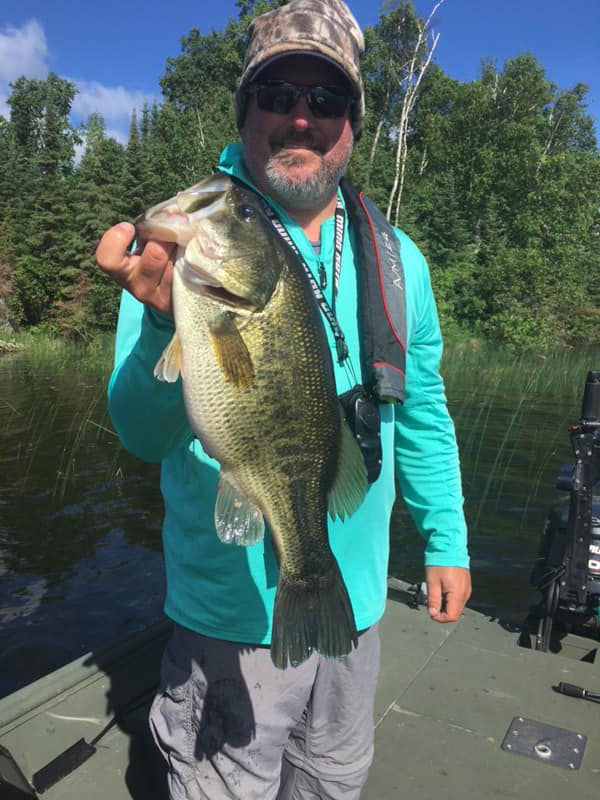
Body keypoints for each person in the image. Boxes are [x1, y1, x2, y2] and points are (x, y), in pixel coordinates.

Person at [96, 1, 471, 797]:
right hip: (225, 618)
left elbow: (423, 413)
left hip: (353, 596)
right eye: (277, 93)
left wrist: (447, 540)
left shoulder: (400, 261)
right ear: (246, 109)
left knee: (333, 779)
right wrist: (169, 324)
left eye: (326, 99)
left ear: (353, 124)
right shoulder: (179, 248)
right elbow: (138, 431)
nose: (301, 116)